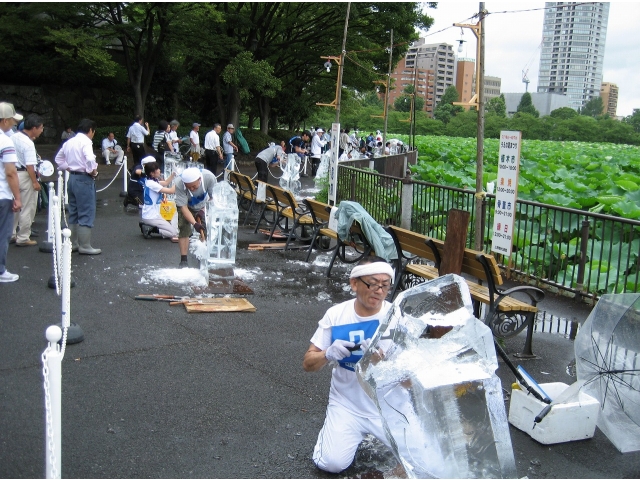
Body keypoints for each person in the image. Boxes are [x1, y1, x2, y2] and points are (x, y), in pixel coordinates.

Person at [303, 256, 395, 473]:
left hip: (389, 408)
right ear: (354, 283)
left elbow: (411, 381)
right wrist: (328, 353)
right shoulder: (336, 315)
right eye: (372, 284)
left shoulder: (396, 317)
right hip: (347, 404)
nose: (379, 291)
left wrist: (385, 366)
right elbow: (308, 363)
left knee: (425, 464)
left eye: (385, 285)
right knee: (330, 464)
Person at [55, 118, 101, 255]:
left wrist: (69, 168)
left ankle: (72, 243)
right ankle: (85, 245)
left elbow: (58, 159)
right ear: (90, 130)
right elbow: (90, 159)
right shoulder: (86, 142)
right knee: (86, 211)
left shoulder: (69, 142)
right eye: (93, 131)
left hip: (72, 178)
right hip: (84, 179)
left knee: (73, 212)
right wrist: (93, 171)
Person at [174, 167, 217, 268]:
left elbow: (214, 198)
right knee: (183, 228)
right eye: (189, 187)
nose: (192, 189)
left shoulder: (209, 178)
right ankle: (183, 260)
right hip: (186, 205)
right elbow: (183, 208)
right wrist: (195, 224)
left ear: (199, 179)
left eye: (194, 186)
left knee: (206, 229)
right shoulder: (179, 183)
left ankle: (205, 257)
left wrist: (203, 211)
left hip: (204, 204)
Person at [11, 114, 43, 247]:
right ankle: (23, 236)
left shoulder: (13, 137)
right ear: (34, 128)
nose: (41, 130)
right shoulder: (28, 143)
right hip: (25, 175)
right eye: (41, 128)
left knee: (14, 205)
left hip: (12, 174)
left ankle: (11, 233)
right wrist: (35, 181)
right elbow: (30, 166)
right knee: (27, 207)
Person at [0, 102, 23, 282]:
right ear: (5, 120)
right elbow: (10, 172)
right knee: (3, 233)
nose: (14, 124)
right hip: (2, 195)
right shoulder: (5, 141)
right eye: (12, 121)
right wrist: (18, 197)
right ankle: (0, 271)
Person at [140, 161, 178, 241]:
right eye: (157, 169)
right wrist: (179, 181)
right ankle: (150, 229)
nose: (159, 170)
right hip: (151, 217)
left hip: (151, 215)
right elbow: (171, 191)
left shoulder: (150, 181)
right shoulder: (152, 184)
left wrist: (174, 173)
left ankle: (148, 226)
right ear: (152, 173)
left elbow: (166, 182)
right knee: (173, 233)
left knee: (172, 228)